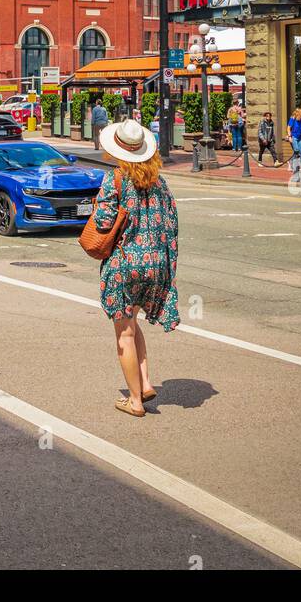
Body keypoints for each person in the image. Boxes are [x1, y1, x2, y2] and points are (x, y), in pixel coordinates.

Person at [93, 118, 179, 418]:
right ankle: (143, 383)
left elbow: (104, 223)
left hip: (124, 263)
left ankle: (134, 400)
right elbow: (172, 224)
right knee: (133, 322)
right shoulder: (159, 182)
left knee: (124, 334)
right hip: (154, 264)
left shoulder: (114, 179)